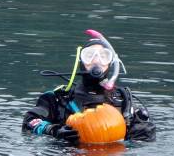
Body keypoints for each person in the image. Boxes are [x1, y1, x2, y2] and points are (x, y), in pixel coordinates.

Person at [23, 30, 155, 144]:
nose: (96, 61)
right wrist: (53, 130)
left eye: (104, 56)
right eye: (89, 55)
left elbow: (141, 145)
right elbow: (29, 122)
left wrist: (137, 137)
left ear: (111, 63)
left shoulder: (124, 100)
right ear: (80, 61)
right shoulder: (58, 99)